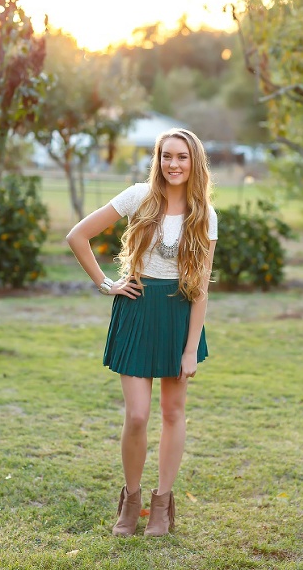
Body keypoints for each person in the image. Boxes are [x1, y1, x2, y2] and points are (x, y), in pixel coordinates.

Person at [66, 128, 217, 537]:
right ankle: (130, 502)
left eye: (182, 157)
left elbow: (201, 290)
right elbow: (77, 236)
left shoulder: (204, 214)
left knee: (172, 412)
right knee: (137, 415)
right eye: (167, 156)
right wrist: (107, 284)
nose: (173, 164)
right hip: (135, 310)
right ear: (158, 159)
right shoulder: (138, 196)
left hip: (178, 314)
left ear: (194, 162)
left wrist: (190, 350)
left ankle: (163, 505)